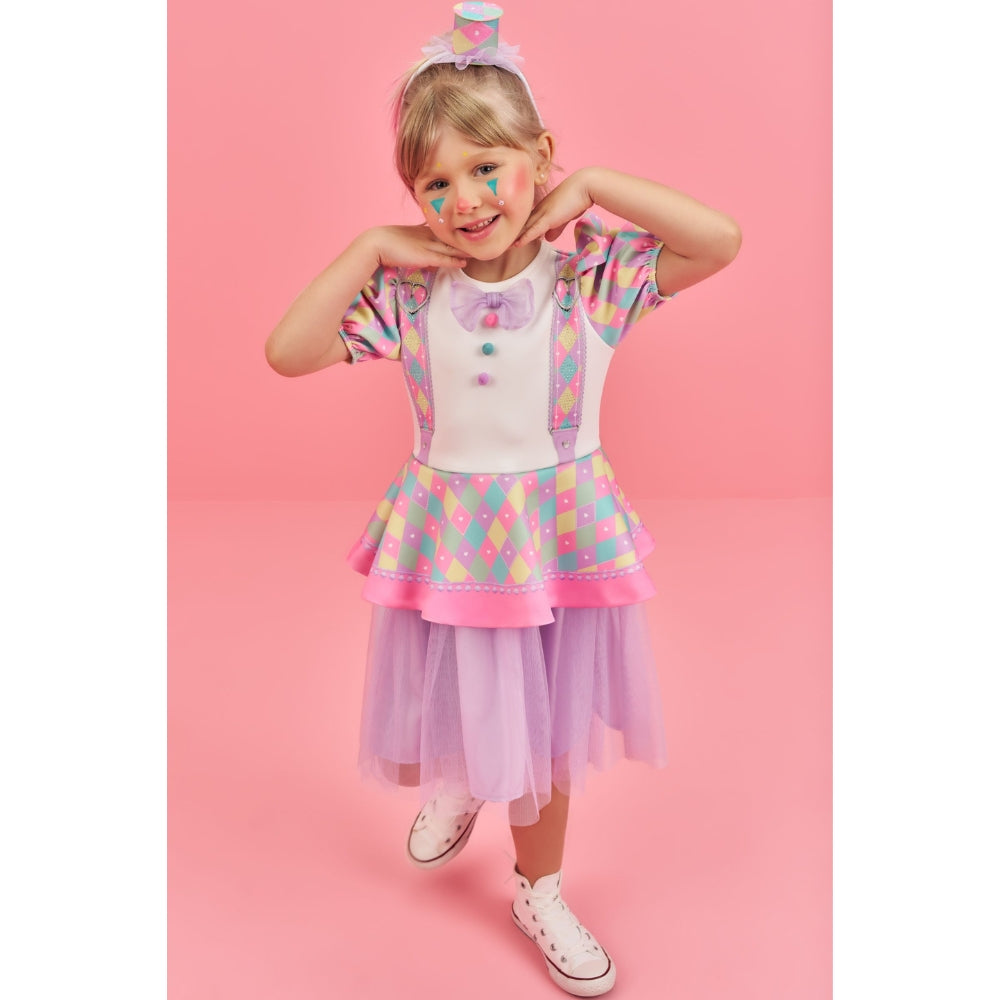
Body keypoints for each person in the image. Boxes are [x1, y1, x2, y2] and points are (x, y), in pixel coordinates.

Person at [265, 3, 740, 994]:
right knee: (465, 694)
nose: (466, 199)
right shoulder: (410, 294)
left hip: (552, 543)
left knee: (544, 728)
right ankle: (463, 778)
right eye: (434, 184)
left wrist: (594, 187)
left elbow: (719, 240)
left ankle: (539, 887)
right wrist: (369, 245)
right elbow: (289, 352)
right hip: (452, 541)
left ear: (538, 160)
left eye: (487, 168)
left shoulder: (589, 280)